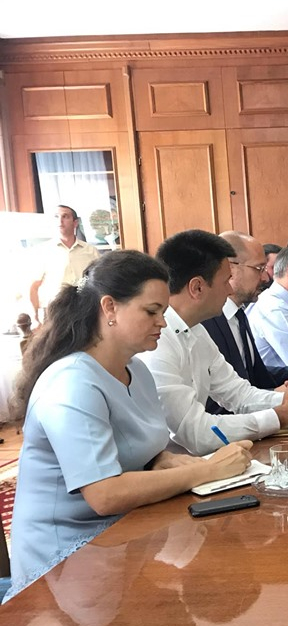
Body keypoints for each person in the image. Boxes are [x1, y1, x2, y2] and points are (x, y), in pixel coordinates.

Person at [9, 250, 252, 595]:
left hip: (123, 536)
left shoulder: (136, 369)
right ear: (109, 308)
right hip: (67, 562)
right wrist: (208, 470)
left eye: (163, 312)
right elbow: (104, 494)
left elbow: (136, 444)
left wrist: (160, 459)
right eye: (152, 311)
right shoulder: (71, 383)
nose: (162, 323)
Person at [139, 230, 288, 456]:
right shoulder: (157, 340)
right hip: (175, 463)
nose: (230, 290)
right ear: (197, 288)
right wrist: (281, 415)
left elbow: (239, 394)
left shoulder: (196, 330)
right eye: (224, 282)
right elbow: (195, 433)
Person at [201, 232, 288, 414]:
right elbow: (215, 403)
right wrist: (277, 397)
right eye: (259, 268)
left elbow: (252, 374)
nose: (265, 278)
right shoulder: (206, 323)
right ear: (230, 268)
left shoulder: (240, 315)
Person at [29, 205, 100, 323]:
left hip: (84, 310)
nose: (60, 221)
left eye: (65, 216)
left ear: (75, 223)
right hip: (54, 312)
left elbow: (99, 282)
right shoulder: (42, 251)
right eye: (56, 217)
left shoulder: (91, 251)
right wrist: (34, 315)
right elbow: (33, 286)